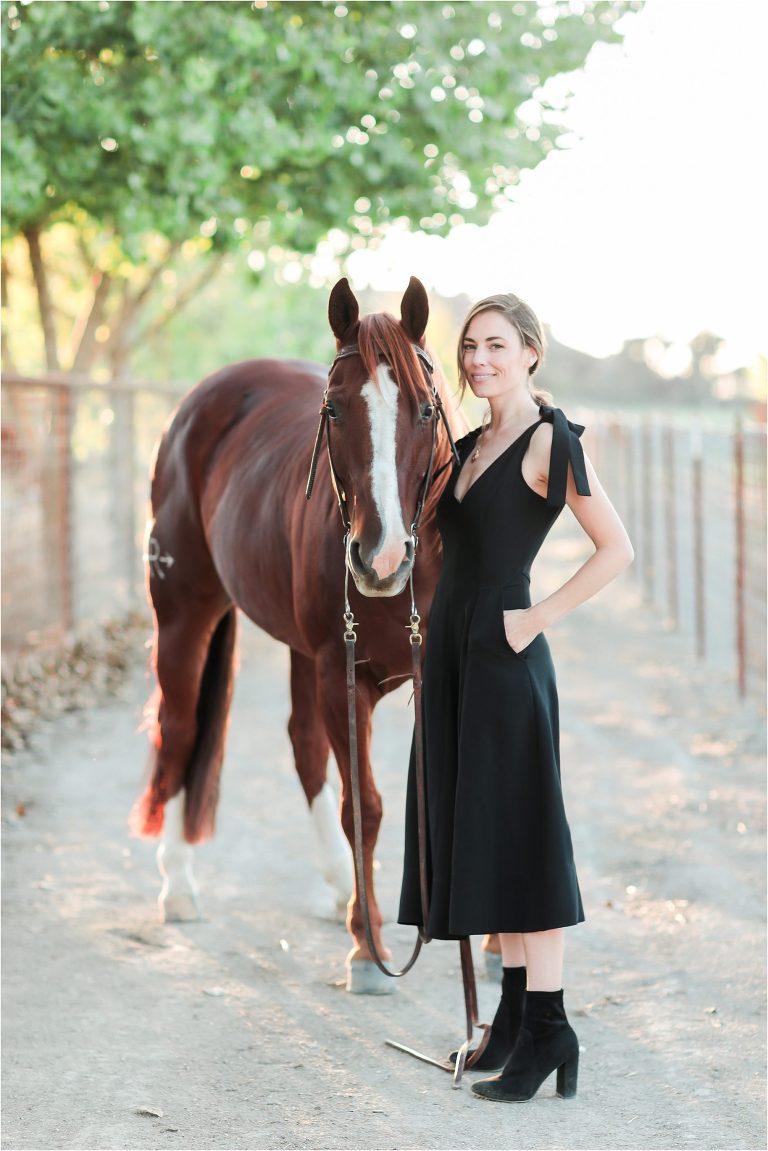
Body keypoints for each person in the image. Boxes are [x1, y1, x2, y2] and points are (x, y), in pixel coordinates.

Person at [398, 292, 634, 1103]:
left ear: (531, 351)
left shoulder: (548, 441)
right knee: (485, 839)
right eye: (469, 346)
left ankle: (549, 1028)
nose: (478, 360)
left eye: (496, 344)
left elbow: (617, 548)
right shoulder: (465, 445)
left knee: (525, 841)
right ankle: (509, 1020)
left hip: (506, 664)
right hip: (455, 667)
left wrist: (536, 618)